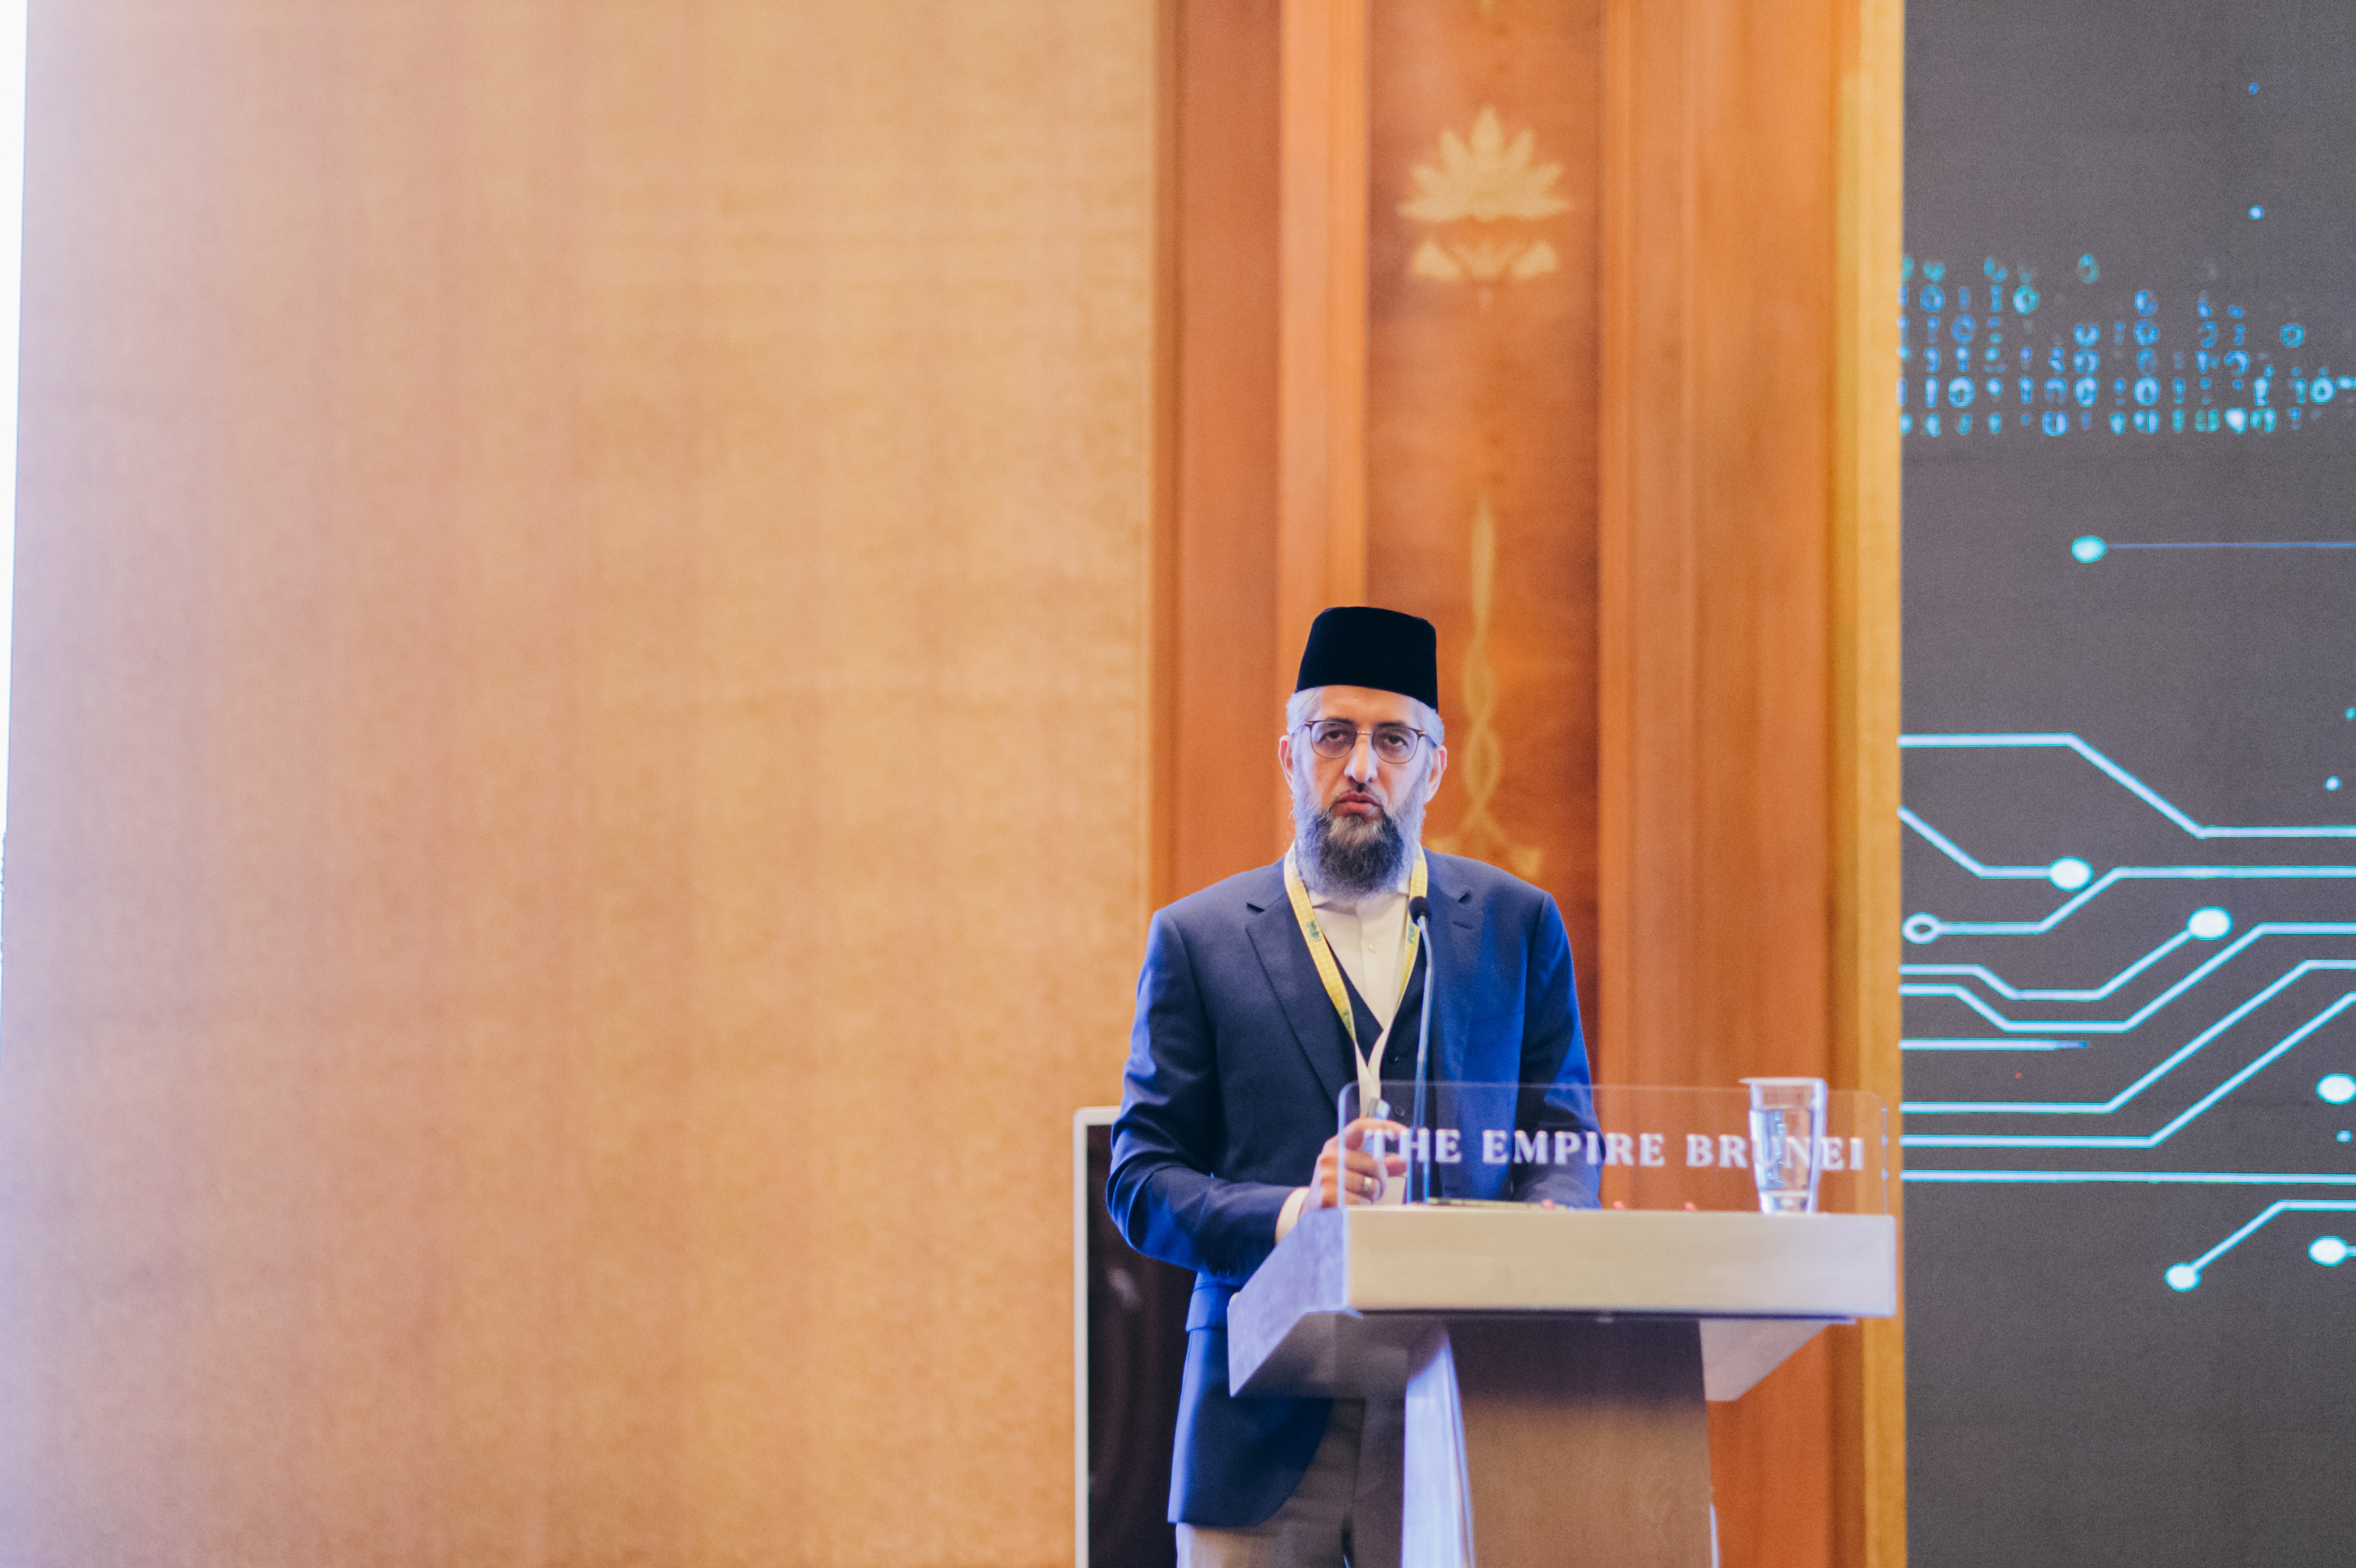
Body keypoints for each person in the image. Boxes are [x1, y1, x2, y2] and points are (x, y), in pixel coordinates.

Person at [1107, 605, 1595, 1568]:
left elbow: (1562, 1137)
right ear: (1289, 755)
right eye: (1333, 734)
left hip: (1456, 1405)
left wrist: (1545, 1225)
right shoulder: (1197, 939)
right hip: (1256, 1425)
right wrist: (1297, 1211)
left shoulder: (1517, 925)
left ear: (1435, 767)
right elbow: (1139, 1178)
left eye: (1392, 739)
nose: (1361, 765)